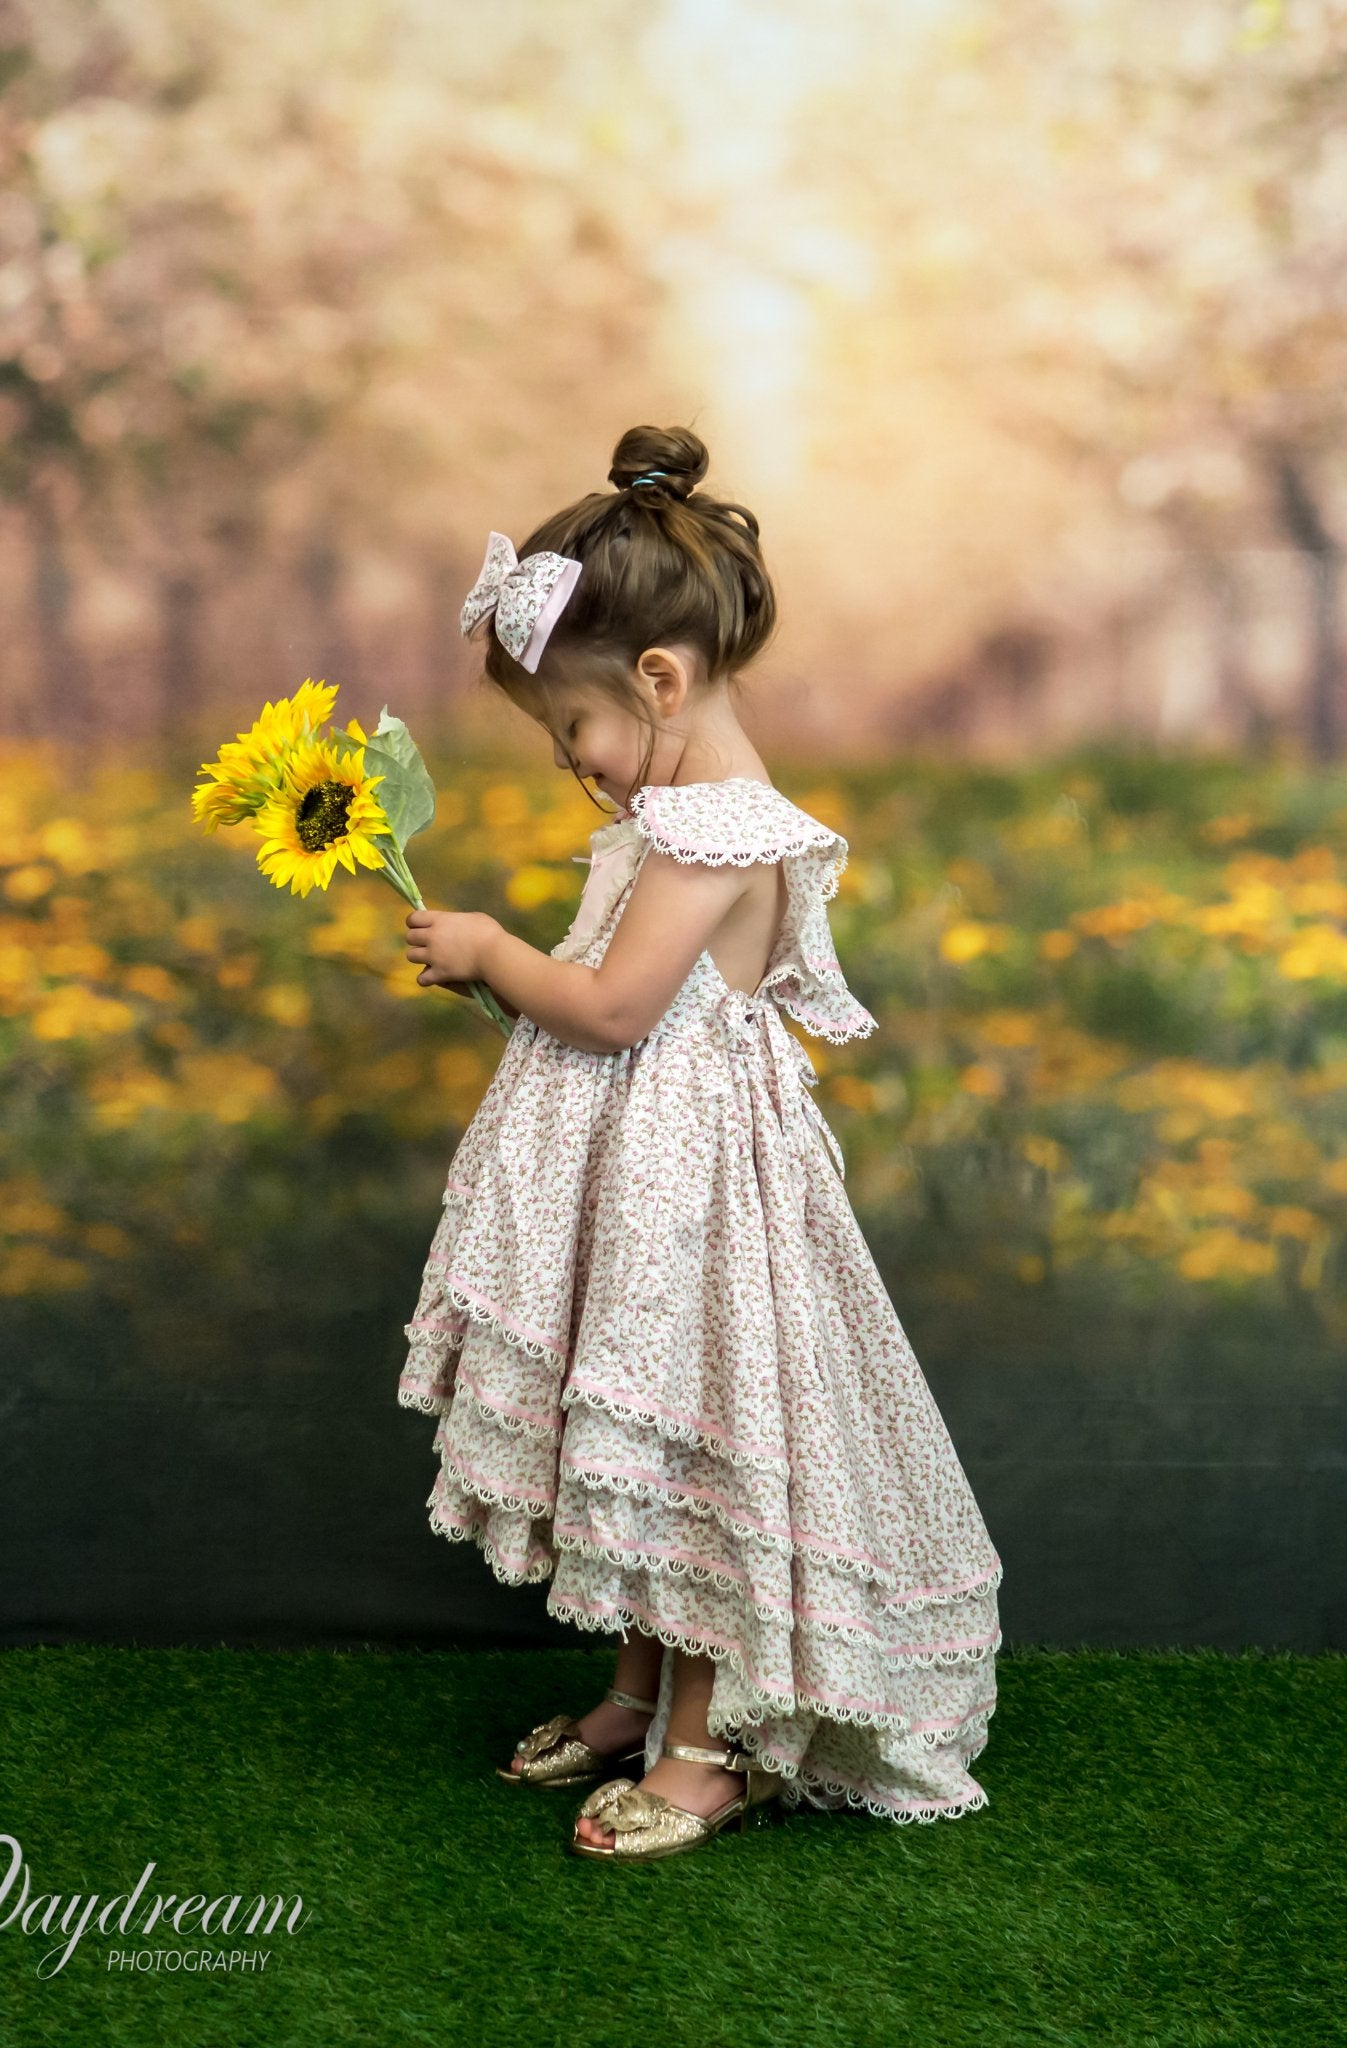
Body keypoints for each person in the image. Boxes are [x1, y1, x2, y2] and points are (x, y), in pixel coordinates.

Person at [398, 424, 1003, 1864]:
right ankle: (632, 1692)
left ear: (659, 682)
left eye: (577, 731)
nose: (575, 766)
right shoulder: (675, 812)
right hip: (642, 1172)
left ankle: (707, 1742)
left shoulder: (718, 834)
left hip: (695, 1199)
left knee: (693, 1436)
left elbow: (612, 1010)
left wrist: (489, 948)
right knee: (641, 1425)